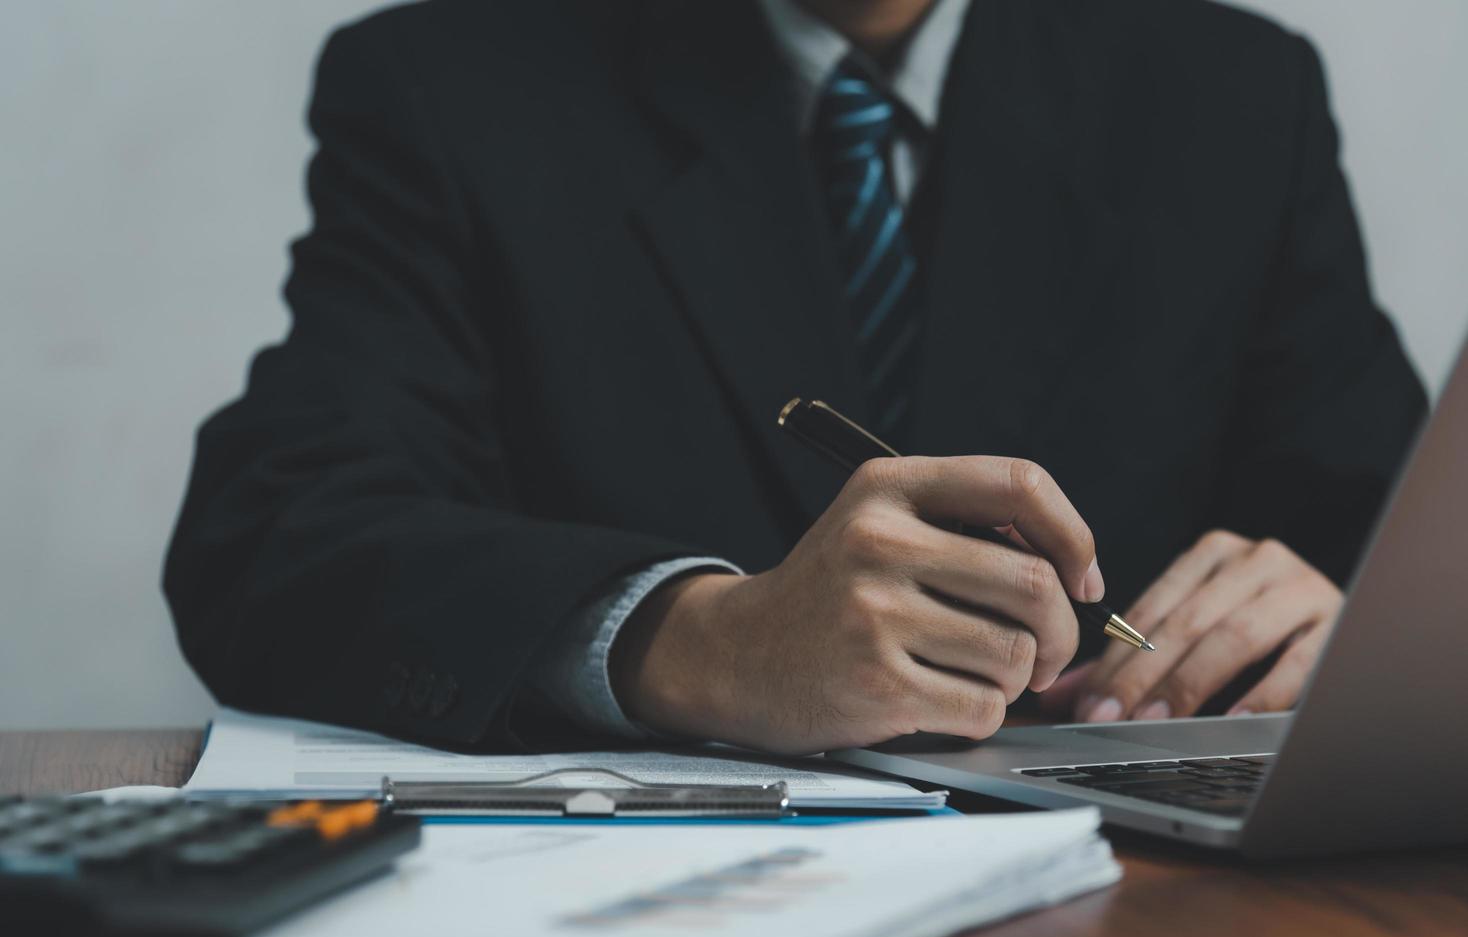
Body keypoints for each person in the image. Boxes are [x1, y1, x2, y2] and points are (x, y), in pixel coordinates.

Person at [164, 0, 1425, 753]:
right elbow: (272, 534)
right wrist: (703, 640)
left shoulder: (1230, 93)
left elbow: (1398, 537)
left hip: (1143, 893)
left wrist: (1353, 623)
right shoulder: (453, 85)